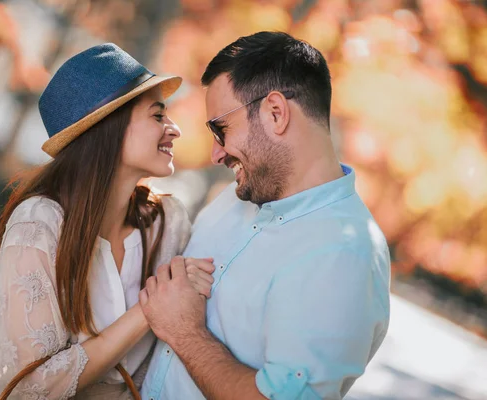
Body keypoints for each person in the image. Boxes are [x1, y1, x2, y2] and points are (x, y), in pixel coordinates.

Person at [139, 31, 391, 400]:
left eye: (220, 130)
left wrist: (184, 332)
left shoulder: (345, 256)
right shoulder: (234, 197)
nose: (216, 154)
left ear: (276, 112)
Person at [0, 43, 215, 400]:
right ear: (109, 128)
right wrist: (151, 308)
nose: (174, 129)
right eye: (157, 115)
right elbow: (30, 388)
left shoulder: (167, 223)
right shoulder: (40, 223)